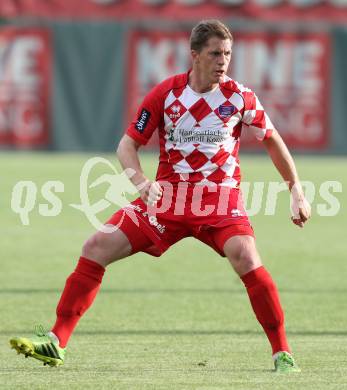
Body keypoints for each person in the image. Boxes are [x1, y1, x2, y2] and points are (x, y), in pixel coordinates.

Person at [10, 19, 311, 372]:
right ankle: (56, 341)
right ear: (195, 55)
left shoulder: (239, 96)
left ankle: (282, 353)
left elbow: (273, 140)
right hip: (166, 201)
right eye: (216, 53)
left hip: (218, 199)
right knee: (95, 247)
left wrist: (296, 191)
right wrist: (141, 183)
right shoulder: (166, 94)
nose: (223, 61)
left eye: (228, 53)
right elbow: (127, 145)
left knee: (245, 254)